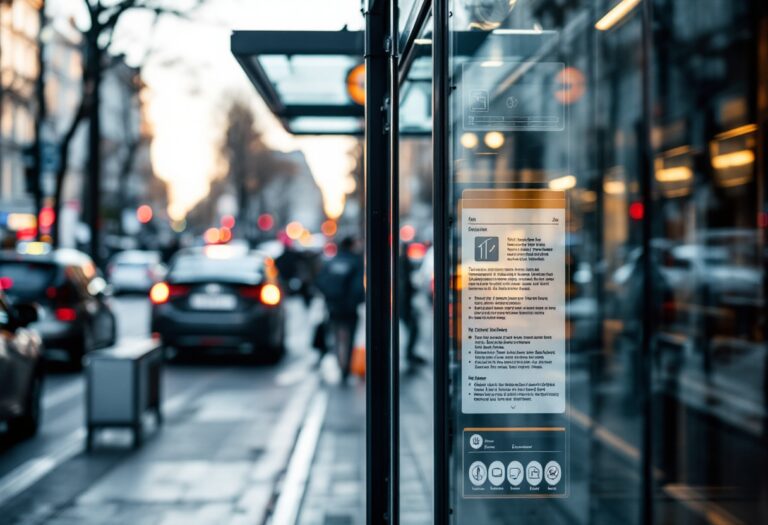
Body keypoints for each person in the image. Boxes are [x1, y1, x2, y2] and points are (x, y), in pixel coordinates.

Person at [315, 236, 364, 382]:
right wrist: (358, 300)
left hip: (333, 306)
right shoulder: (356, 262)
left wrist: (330, 297)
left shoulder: (332, 262)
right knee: (350, 336)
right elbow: (358, 287)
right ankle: (346, 367)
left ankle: (339, 362)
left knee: (336, 335)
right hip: (350, 308)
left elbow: (320, 281)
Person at [400, 243, 425, 367]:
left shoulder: (400, 262)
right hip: (403, 304)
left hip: (403, 303)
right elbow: (405, 285)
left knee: (413, 328)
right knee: (413, 328)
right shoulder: (403, 263)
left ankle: (409, 353)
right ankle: (409, 354)